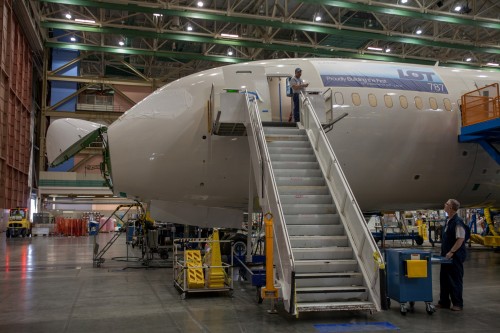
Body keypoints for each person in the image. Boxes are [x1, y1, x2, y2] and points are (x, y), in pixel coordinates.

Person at [437, 199, 466, 311]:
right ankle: (444, 302)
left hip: (455, 256)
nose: (445, 205)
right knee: (444, 279)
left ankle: (458, 303)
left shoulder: (458, 222)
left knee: (455, 279)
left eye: (447, 204)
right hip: (446, 255)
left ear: (452, 208)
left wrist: (452, 252)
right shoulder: (448, 220)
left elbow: (460, 239)